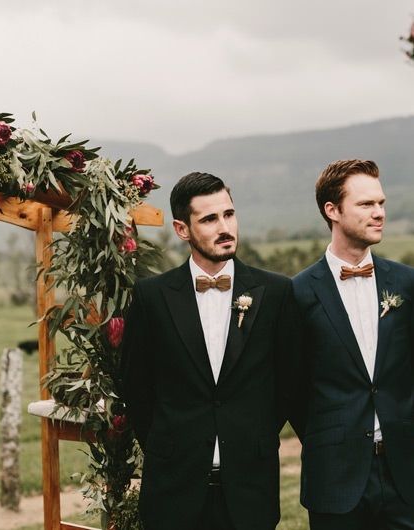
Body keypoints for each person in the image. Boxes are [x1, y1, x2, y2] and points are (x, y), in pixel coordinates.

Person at [120, 172, 302, 530]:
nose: (225, 227)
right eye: (209, 219)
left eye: (229, 214)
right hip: (173, 490)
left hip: (251, 489)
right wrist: (170, 444)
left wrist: (255, 435)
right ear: (181, 229)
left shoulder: (277, 292)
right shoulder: (152, 297)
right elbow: (137, 387)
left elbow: (290, 382)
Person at [292, 159, 414, 529]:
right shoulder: (297, 293)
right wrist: (330, 436)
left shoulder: (407, 284)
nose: (379, 213)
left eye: (381, 203)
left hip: (405, 476)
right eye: (365, 204)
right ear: (332, 210)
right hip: (335, 478)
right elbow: (291, 387)